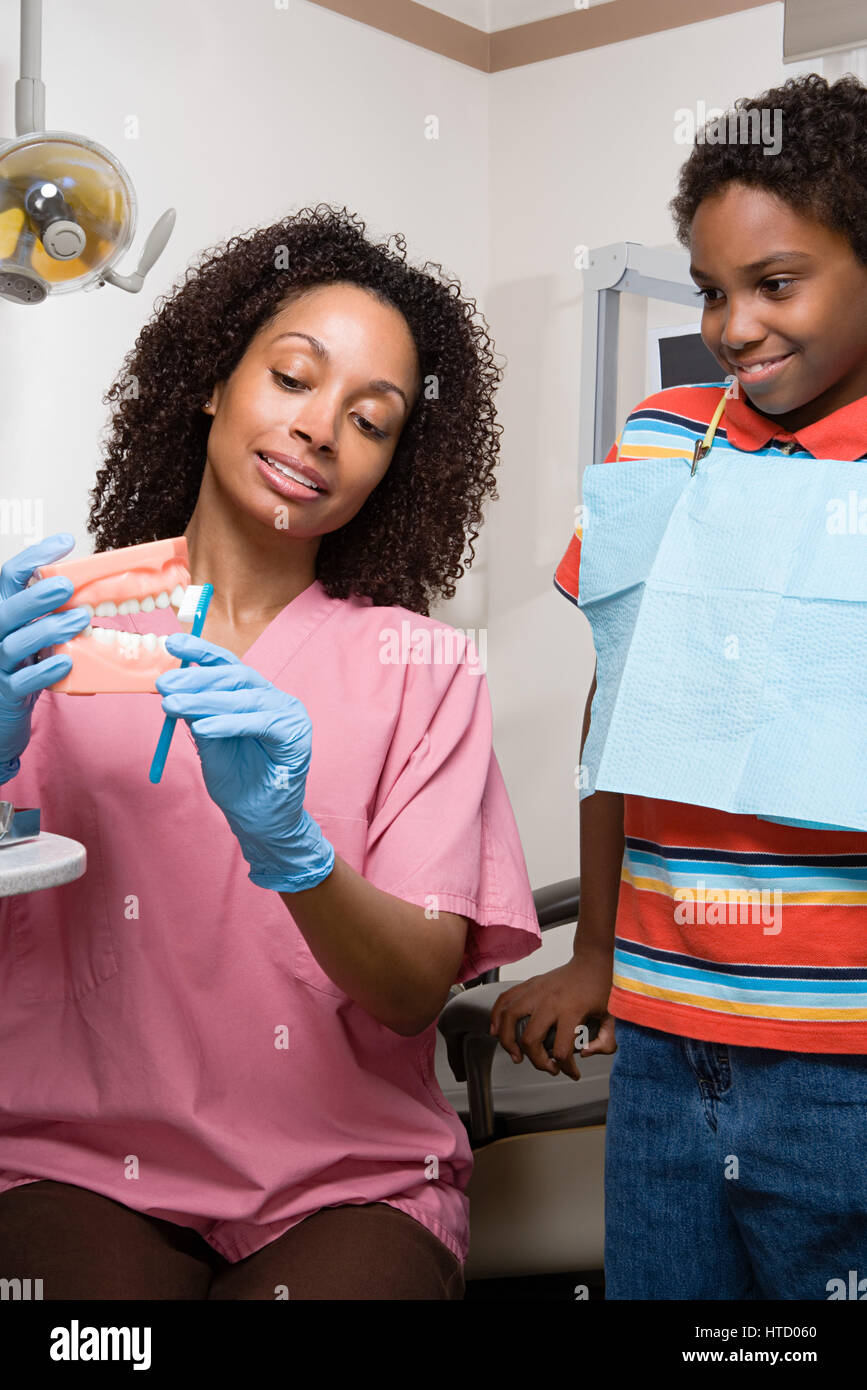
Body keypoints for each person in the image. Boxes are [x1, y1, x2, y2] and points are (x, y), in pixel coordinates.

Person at [0, 204, 541, 1300]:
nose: (319, 429)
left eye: (372, 419)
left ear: (397, 461)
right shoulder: (53, 634)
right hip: (73, 1162)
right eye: (292, 377)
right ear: (211, 379)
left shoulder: (422, 667)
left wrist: (294, 851)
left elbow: (408, 992)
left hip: (343, 1178)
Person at [492, 72, 867, 1300]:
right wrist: (596, 950)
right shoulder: (660, 436)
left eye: (776, 284)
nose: (735, 325)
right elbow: (620, 710)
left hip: (841, 1053)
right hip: (662, 1030)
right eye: (713, 290)